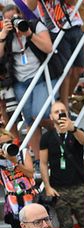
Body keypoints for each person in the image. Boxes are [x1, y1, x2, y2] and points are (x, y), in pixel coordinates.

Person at [0, 6, 53, 159]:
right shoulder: (6, 35)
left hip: (38, 77)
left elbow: (48, 48)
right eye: (9, 20)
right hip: (19, 82)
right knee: (29, 121)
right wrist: (3, 35)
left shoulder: (35, 25)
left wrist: (28, 33)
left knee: (38, 115)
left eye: (15, 17)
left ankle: (59, 128)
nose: (14, 21)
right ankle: (38, 158)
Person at [0, 129, 36, 228]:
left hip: (29, 198)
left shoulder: (22, 153)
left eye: (9, 142)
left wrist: (15, 162)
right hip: (13, 203)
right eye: (2, 145)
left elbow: (30, 173)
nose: (6, 146)